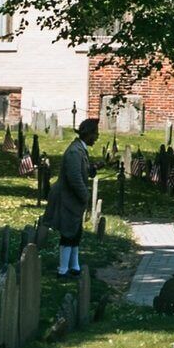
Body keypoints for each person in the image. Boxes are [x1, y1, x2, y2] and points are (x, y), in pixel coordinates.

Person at [47, 117, 99, 277]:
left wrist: (93, 168)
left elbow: (82, 170)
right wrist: (86, 195)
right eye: (95, 133)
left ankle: (74, 267)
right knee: (68, 234)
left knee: (75, 233)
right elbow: (75, 177)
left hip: (72, 200)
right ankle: (63, 270)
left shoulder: (80, 149)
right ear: (88, 134)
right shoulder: (75, 152)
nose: (97, 137)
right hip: (66, 199)